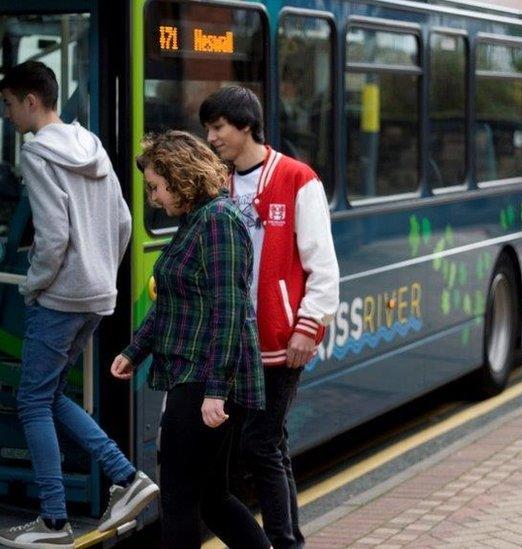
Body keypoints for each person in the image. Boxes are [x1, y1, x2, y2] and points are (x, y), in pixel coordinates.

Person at [0, 60, 158, 549]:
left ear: (30, 101)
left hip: (61, 296)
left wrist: (34, 286)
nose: (6, 115)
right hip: (95, 295)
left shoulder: (37, 154)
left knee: (31, 401)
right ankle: (127, 478)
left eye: (6, 104)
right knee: (50, 394)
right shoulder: (93, 147)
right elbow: (125, 222)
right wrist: (100, 271)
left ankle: (54, 520)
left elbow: (53, 237)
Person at [110, 131, 270, 549]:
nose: (154, 198)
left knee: (180, 499)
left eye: (157, 187)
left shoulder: (217, 221)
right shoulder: (197, 221)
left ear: (181, 179)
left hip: (205, 379)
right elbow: (172, 303)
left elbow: (229, 310)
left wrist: (215, 391)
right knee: (212, 498)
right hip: (195, 373)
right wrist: (134, 350)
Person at [200, 86, 340, 549]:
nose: (212, 137)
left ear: (245, 125)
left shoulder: (298, 179)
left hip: (280, 341)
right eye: (208, 128)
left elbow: (323, 266)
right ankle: (285, 541)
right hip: (233, 343)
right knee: (267, 446)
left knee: (260, 445)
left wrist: (308, 326)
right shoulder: (216, 181)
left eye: (218, 127)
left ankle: (284, 542)